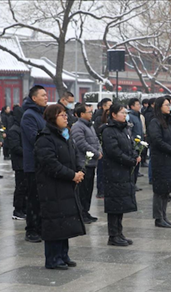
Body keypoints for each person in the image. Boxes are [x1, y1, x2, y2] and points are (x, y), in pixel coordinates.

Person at [35, 104, 86, 270]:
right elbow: (50, 164)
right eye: (61, 115)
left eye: (66, 115)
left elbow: (76, 154)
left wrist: (80, 170)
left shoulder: (66, 135)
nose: (65, 118)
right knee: (54, 223)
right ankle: (52, 258)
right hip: (52, 187)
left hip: (67, 185)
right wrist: (72, 175)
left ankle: (63, 254)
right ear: (52, 118)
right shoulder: (45, 138)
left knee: (65, 222)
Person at [101, 104, 139, 246]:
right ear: (113, 115)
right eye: (122, 113)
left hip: (123, 172)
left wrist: (135, 156)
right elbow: (113, 151)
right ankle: (113, 235)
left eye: (125, 112)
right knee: (114, 204)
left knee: (121, 203)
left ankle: (119, 232)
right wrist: (130, 161)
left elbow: (130, 146)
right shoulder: (109, 131)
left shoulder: (125, 129)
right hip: (114, 172)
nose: (125, 115)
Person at [148, 96, 171, 228]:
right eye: (167, 105)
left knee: (166, 189)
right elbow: (157, 141)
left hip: (169, 159)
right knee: (160, 190)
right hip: (160, 160)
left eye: (170, 105)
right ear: (159, 107)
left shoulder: (168, 122)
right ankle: (158, 217)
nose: (170, 107)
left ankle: (164, 215)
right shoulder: (155, 122)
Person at [21, 85, 48, 243]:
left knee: (42, 198)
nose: (46, 98)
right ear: (34, 98)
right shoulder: (29, 115)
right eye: (43, 95)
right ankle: (31, 230)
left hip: (44, 162)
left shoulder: (42, 114)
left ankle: (40, 227)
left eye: (46, 95)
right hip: (34, 164)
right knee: (33, 198)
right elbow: (35, 138)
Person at [71, 103, 102, 224]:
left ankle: (86, 212)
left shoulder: (90, 126)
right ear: (81, 114)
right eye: (89, 112)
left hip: (91, 162)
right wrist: (95, 153)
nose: (91, 114)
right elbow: (81, 144)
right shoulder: (78, 127)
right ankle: (81, 213)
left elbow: (96, 141)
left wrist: (99, 151)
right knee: (82, 191)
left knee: (88, 190)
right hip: (83, 163)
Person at [7, 106, 27, 220]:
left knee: (25, 187)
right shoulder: (14, 130)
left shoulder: (21, 128)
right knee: (20, 187)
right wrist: (28, 152)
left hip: (25, 163)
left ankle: (24, 208)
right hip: (20, 164)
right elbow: (15, 148)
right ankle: (18, 209)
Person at [92, 97, 112, 199]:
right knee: (101, 170)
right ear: (104, 106)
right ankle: (101, 190)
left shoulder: (111, 117)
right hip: (102, 148)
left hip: (109, 149)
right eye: (109, 105)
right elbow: (96, 133)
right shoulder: (98, 118)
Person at [127, 98, 144, 188]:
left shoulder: (138, 116)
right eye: (137, 104)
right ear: (132, 106)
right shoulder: (130, 117)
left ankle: (134, 183)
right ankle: (131, 184)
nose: (139, 106)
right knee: (133, 166)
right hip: (134, 145)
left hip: (139, 145)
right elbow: (130, 131)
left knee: (137, 166)